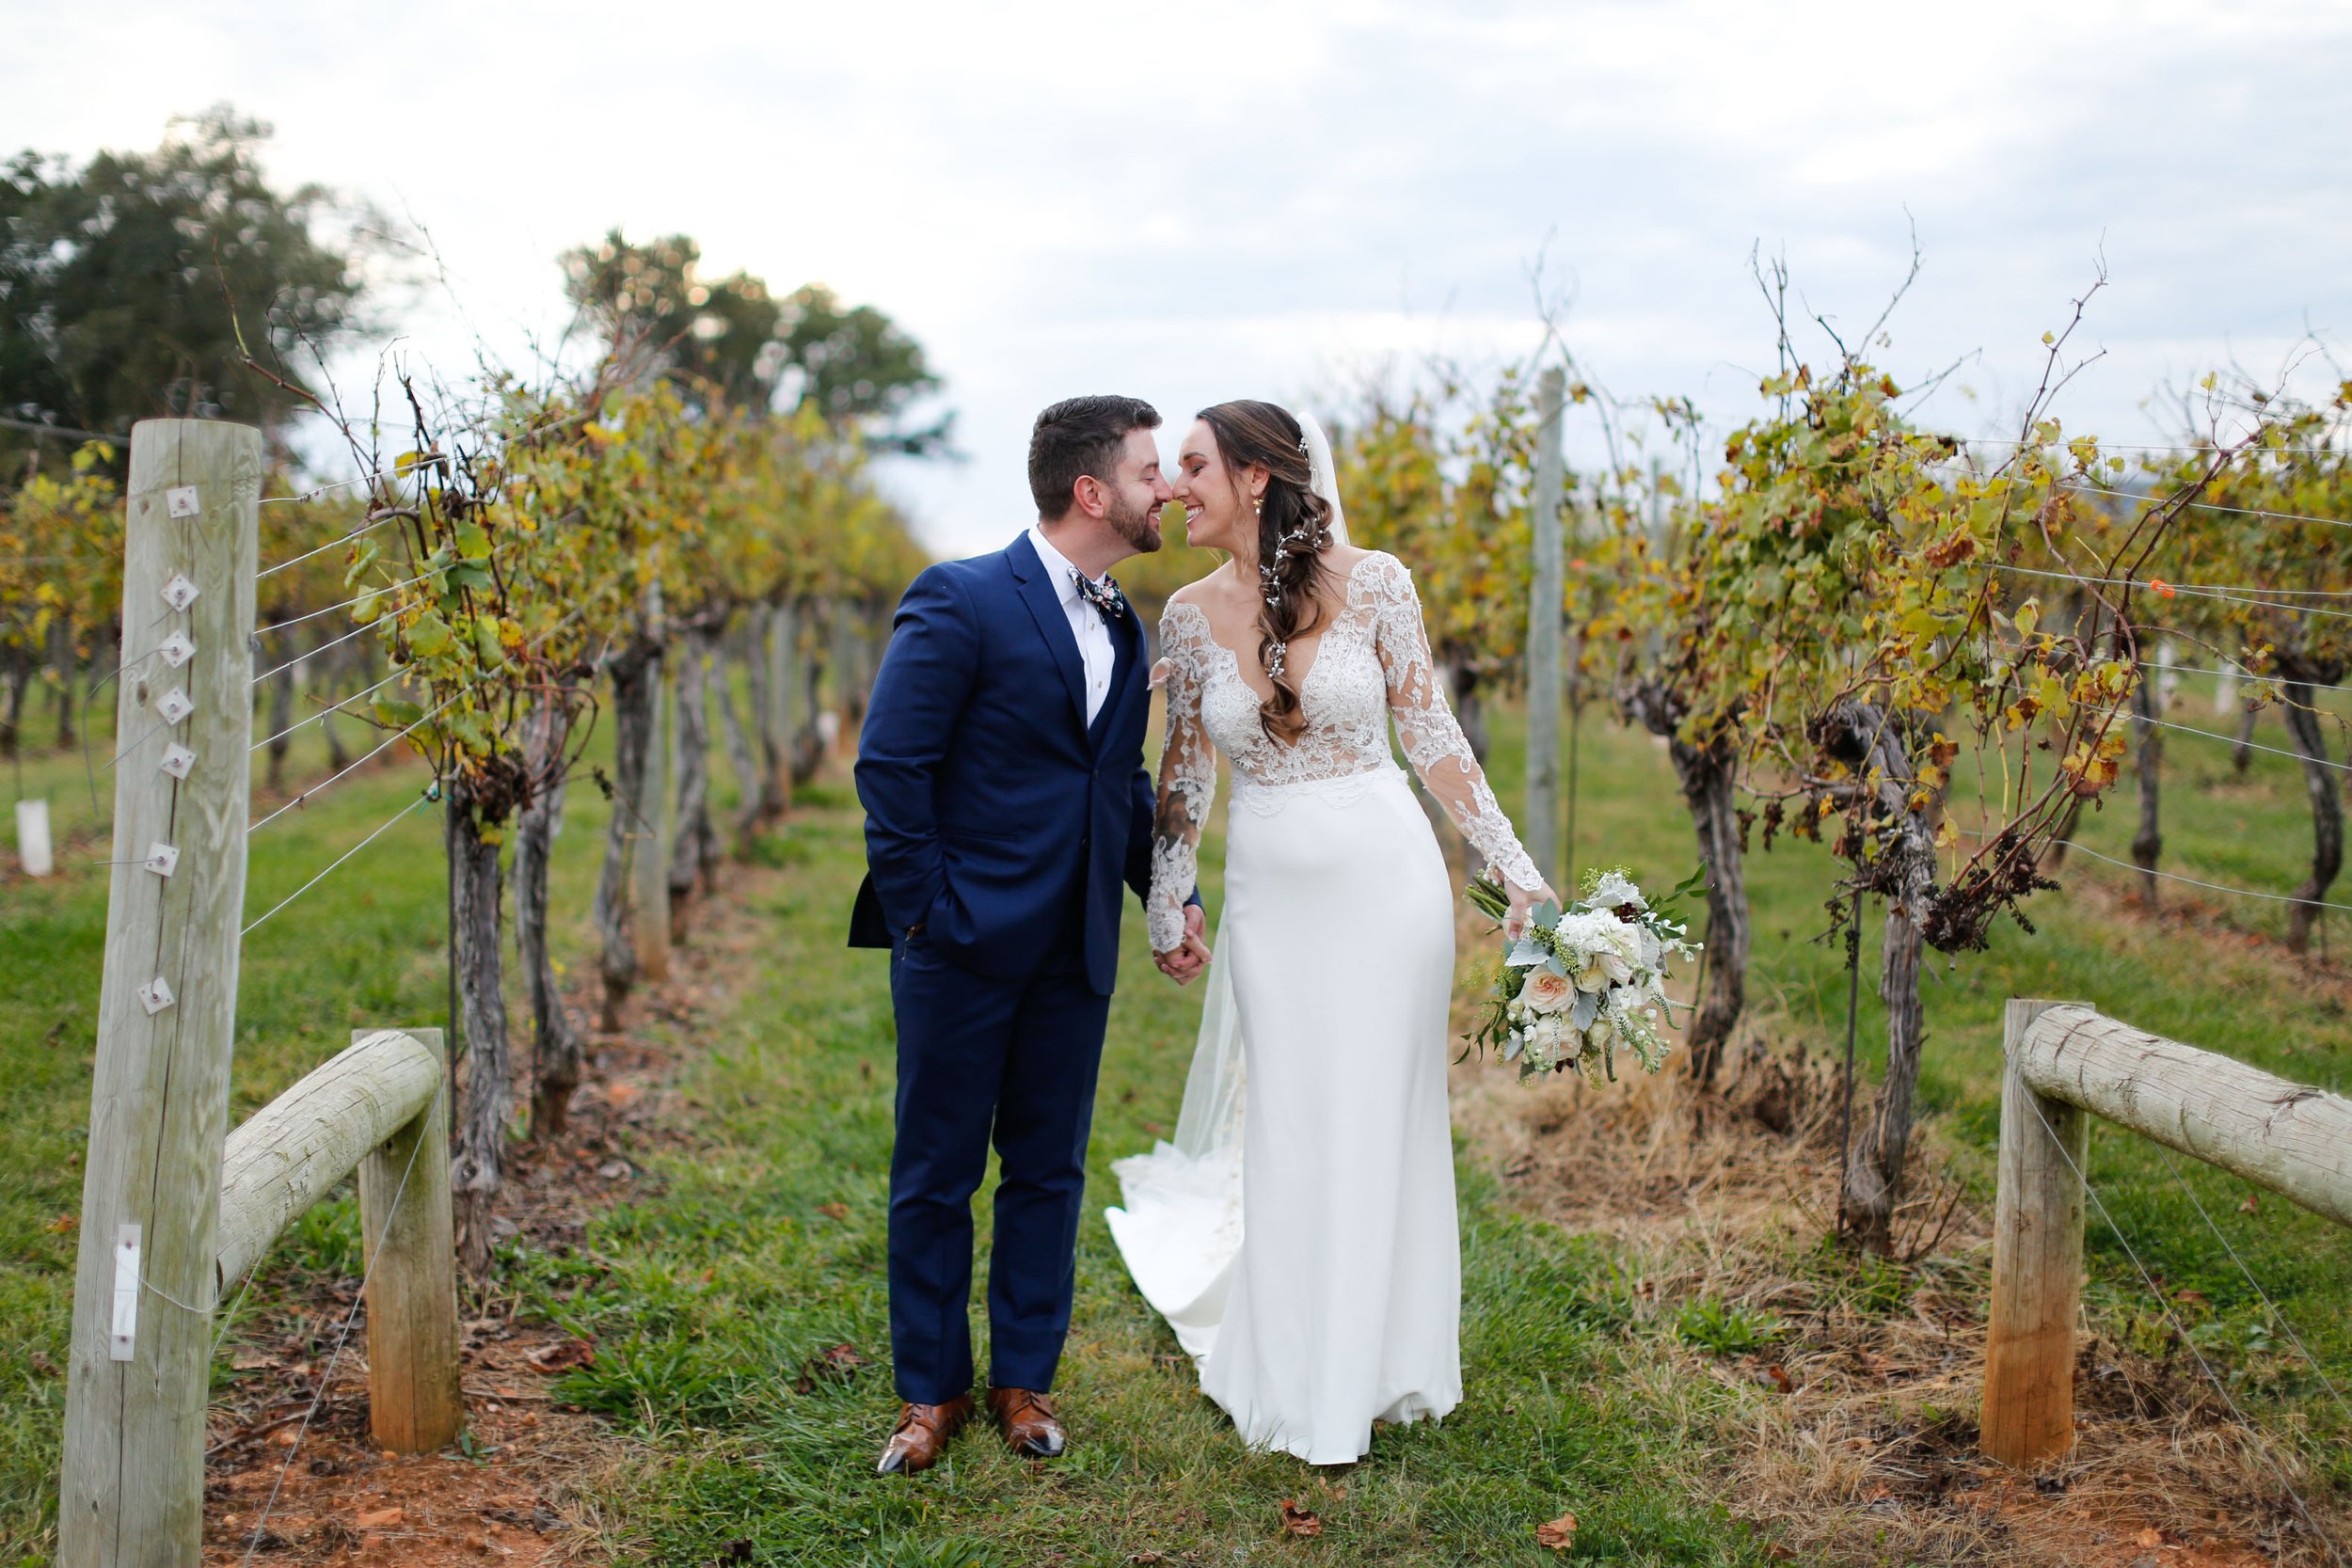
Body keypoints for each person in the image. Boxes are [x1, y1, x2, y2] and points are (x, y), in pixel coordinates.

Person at [1105, 399, 1556, 1465]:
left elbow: (1429, 731)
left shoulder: (1377, 582)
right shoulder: (1182, 614)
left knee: (1377, 1118)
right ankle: (1294, 1368)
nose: (1177, 484)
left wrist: (1517, 873)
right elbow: (1182, 777)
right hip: (1270, 897)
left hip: (1386, 885)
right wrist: (1169, 901)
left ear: (1256, 476)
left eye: (1196, 465)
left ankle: (1380, 1361)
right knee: (1295, 1120)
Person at [849, 395, 1206, 1475]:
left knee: (1046, 1168)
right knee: (936, 1171)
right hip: (960, 942)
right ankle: (928, 1392)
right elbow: (889, 766)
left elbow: (1118, 779)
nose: (1169, 489)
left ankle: (1023, 1380)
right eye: (1152, 472)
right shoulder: (959, 597)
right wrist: (928, 915)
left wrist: (1163, 890)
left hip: (1074, 946)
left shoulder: (1123, 620)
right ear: (1093, 492)